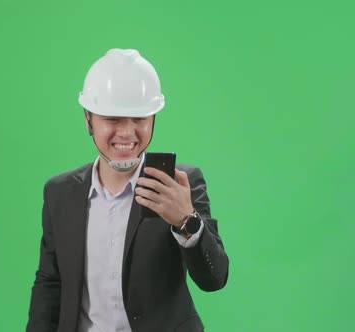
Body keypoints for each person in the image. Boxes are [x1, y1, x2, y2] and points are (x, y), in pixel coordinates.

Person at [26, 49, 229, 332]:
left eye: (139, 119)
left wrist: (187, 222)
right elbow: (50, 282)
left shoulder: (180, 184)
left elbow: (214, 279)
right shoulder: (60, 193)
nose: (126, 133)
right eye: (112, 119)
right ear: (88, 119)